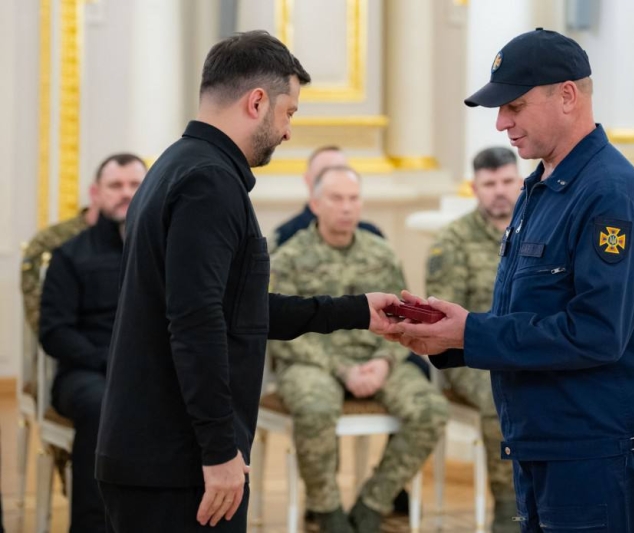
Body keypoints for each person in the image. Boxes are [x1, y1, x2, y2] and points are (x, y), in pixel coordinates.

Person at [95, 30, 399, 533]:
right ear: (257, 102)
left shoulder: (178, 164)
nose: (288, 132)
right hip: (179, 463)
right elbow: (196, 323)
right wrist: (219, 451)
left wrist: (356, 310)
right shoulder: (209, 182)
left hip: (158, 453)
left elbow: (238, 308)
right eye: (288, 113)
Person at [387, 28, 634, 532]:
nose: (502, 122)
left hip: (593, 455)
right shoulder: (544, 187)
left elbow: (597, 333)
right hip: (544, 444)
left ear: (567, 96)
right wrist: (452, 338)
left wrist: (471, 332)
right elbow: (530, 316)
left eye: (515, 106)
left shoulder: (610, 195)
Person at [270, 165, 447, 533]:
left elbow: (401, 318)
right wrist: (342, 369)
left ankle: (373, 503)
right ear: (315, 204)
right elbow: (284, 332)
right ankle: (326, 510)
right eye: (336, 198)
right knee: (316, 407)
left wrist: (383, 362)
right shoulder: (289, 258)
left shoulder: (381, 253)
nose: (347, 207)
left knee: (431, 409)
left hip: (376, 357)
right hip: (312, 362)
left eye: (353, 198)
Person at [38, 153, 147, 533]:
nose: (126, 193)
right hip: (86, 374)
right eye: (116, 186)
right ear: (96, 194)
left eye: (135, 185)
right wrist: (112, 362)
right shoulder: (70, 256)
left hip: (149, 370)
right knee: (104, 407)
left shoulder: (164, 251)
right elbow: (54, 332)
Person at [425, 146, 521, 532]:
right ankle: (510, 510)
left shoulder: (537, 230)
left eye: (507, 181)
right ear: (474, 188)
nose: (500, 191)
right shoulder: (453, 241)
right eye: (490, 183)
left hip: (526, 346)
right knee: (502, 393)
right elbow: (443, 321)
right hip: (470, 355)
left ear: (520, 182)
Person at [270, 145, 383, 250]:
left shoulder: (372, 236)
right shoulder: (286, 237)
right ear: (307, 179)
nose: (335, 178)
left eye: (340, 171)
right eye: (324, 173)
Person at [21, 205, 98, 332]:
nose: (126, 195)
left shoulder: (127, 237)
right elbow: (36, 306)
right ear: (95, 195)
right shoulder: (52, 239)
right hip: (68, 334)